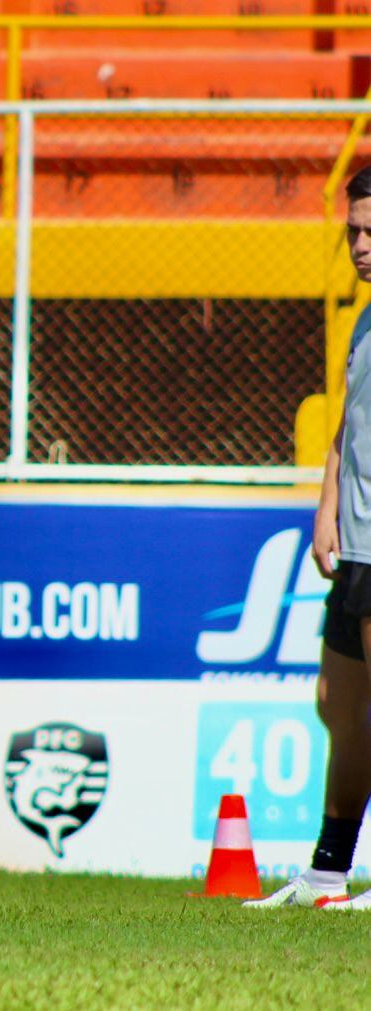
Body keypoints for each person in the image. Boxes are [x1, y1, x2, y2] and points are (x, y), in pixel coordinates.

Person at [246, 165, 371, 910]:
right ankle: (328, 871)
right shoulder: (362, 321)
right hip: (355, 545)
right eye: (353, 231)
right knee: (338, 703)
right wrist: (326, 508)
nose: (359, 246)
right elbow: (345, 432)